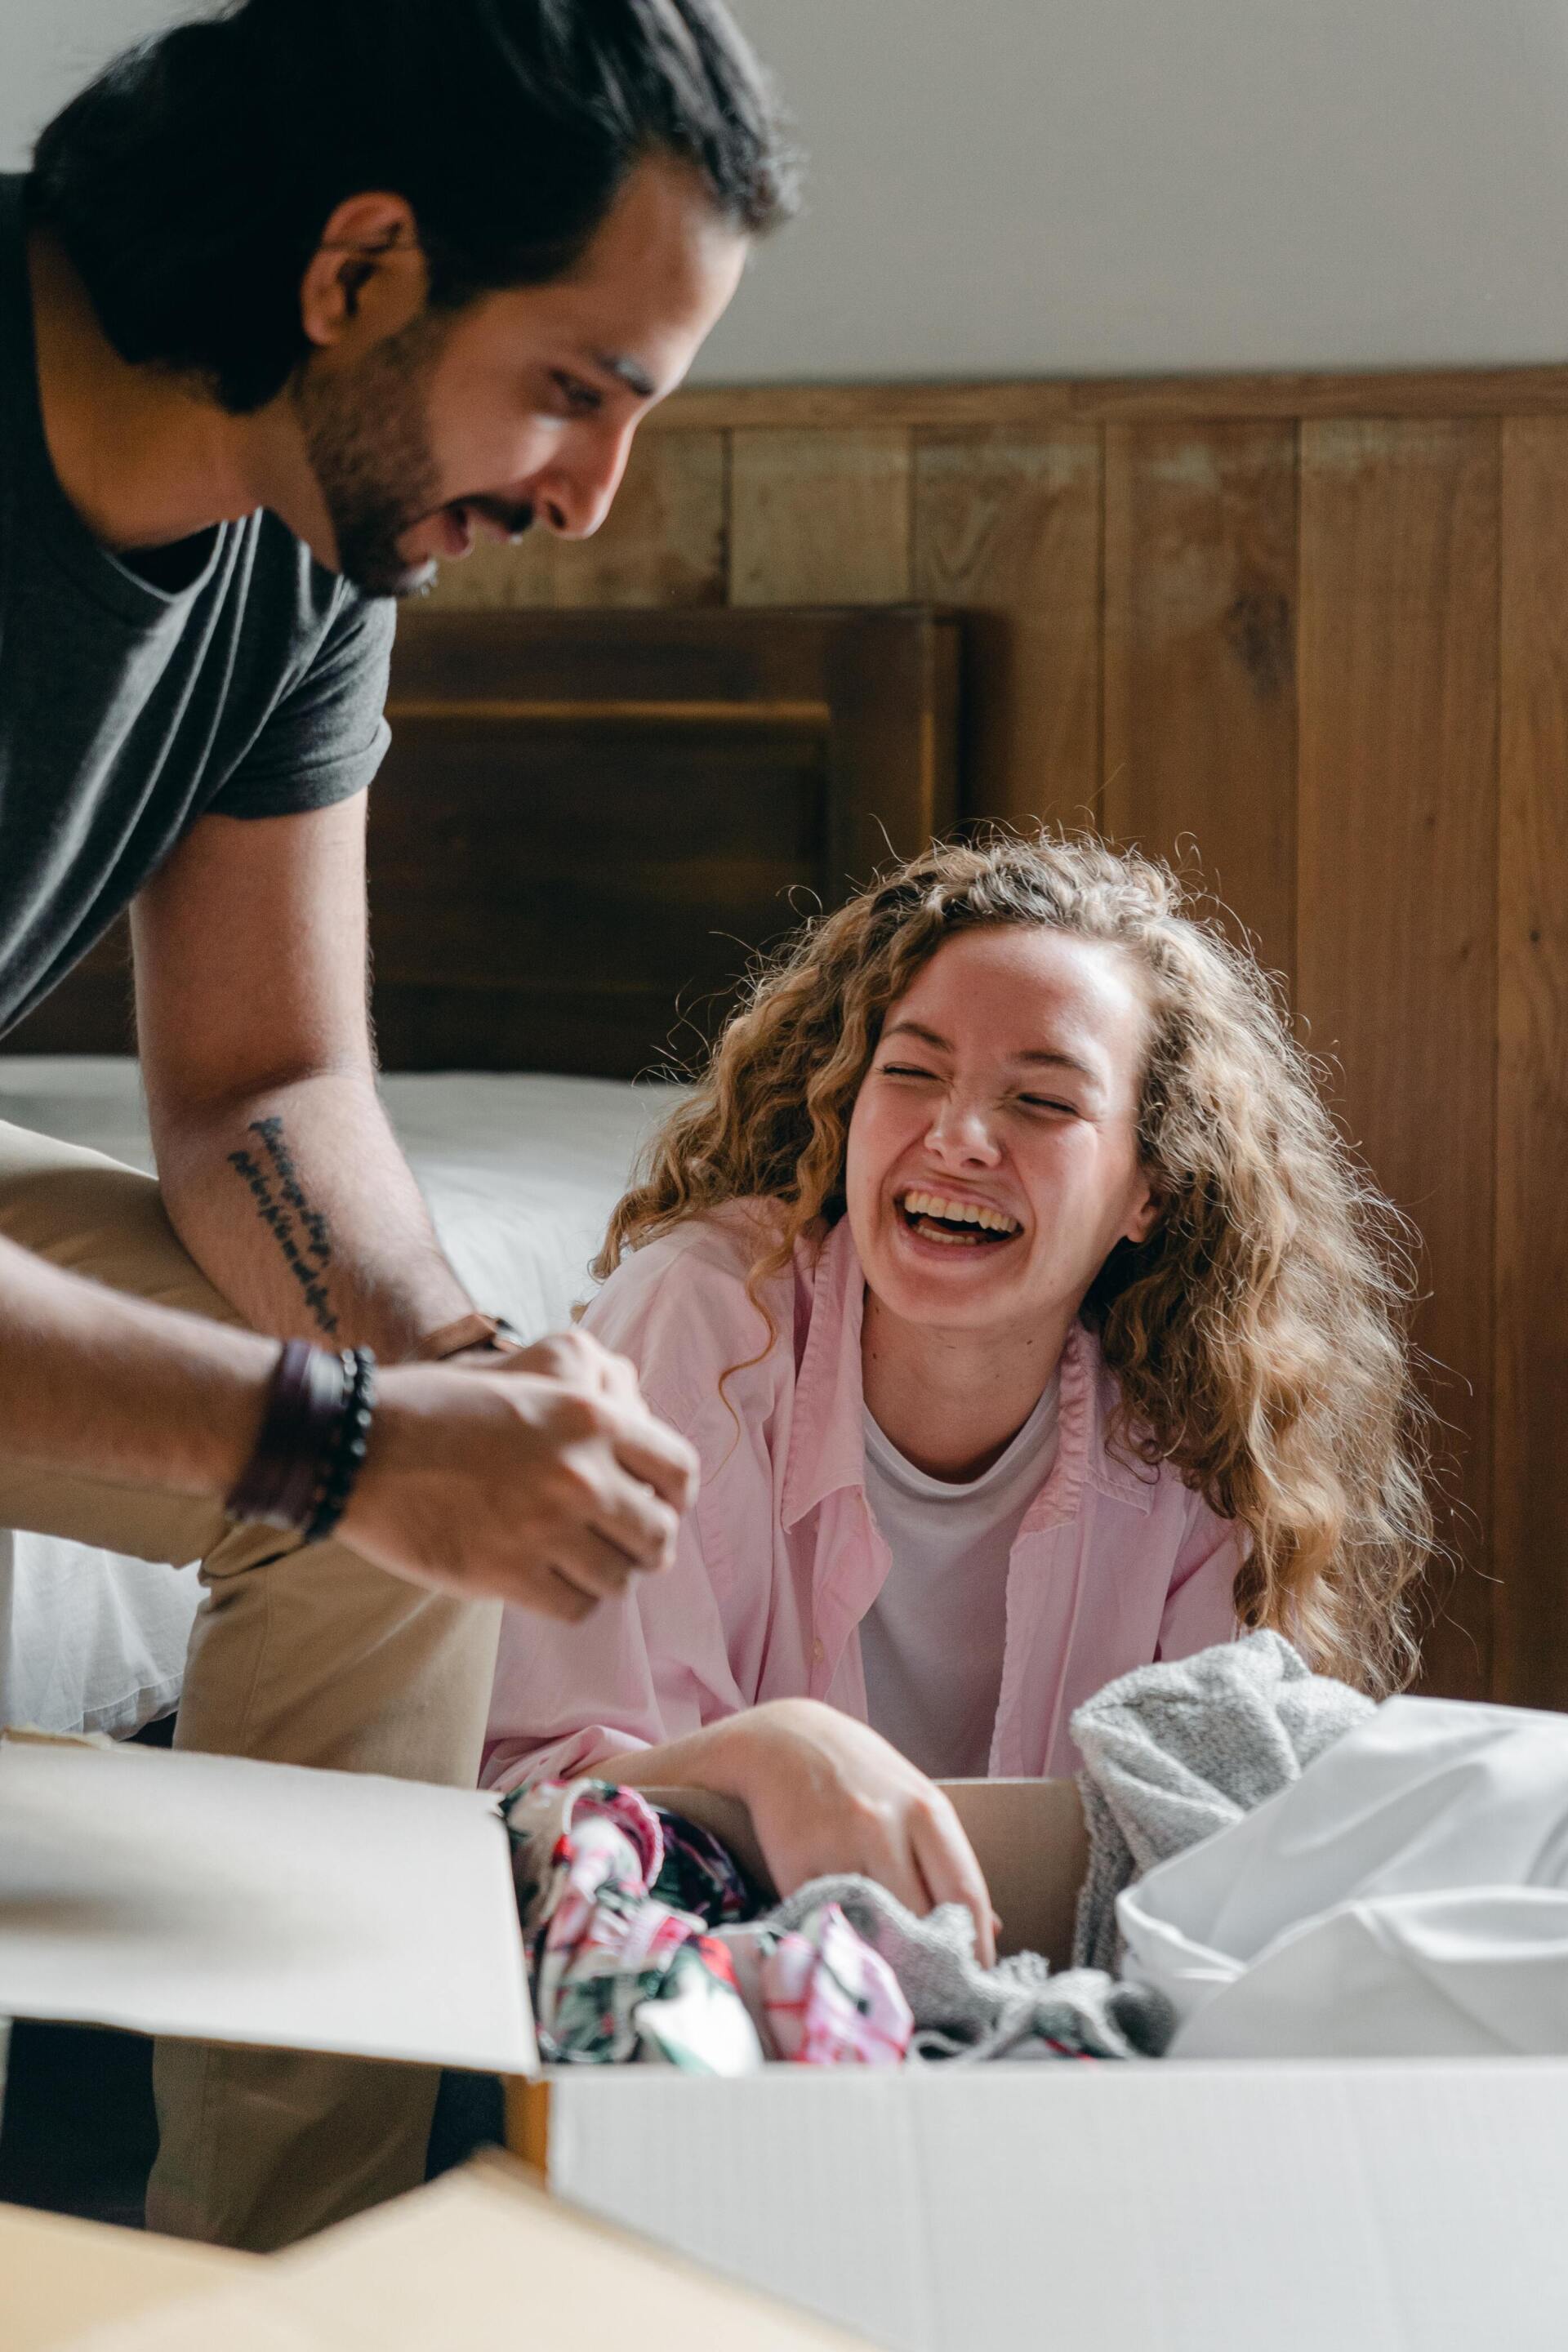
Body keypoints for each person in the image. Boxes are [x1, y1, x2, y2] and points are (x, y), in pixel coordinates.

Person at [0, 0, 795, 2247]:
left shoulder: (303, 530)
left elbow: (262, 1083)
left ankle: (284, 2278)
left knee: (387, 1512)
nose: (590, 496)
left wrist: (448, 1384)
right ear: (353, 275)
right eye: (576, 387)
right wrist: (333, 1435)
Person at [484, 834, 1436, 1962]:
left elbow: (1217, 1849)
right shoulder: (699, 1323)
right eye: (911, 1072)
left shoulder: (1201, 1419)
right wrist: (773, 1751)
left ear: (1152, 1187)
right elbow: (538, 1810)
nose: (956, 1137)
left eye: (1040, 1100)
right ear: (847, 1102)